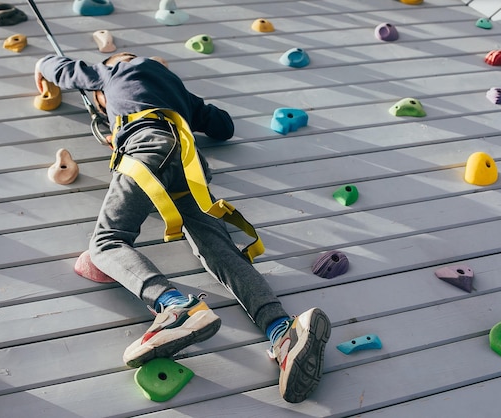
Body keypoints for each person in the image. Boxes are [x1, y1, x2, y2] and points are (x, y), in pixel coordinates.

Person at [34, 52, 331, 403]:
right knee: (220, 251)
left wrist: (43, 64)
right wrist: (180, 103)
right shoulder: (180, 95)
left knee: (107, 241)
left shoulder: (116, 70)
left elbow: (66, 71)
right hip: (189, 161)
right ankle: (282, 331)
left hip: (147, 146)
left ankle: (175, 308)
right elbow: (223, 126)